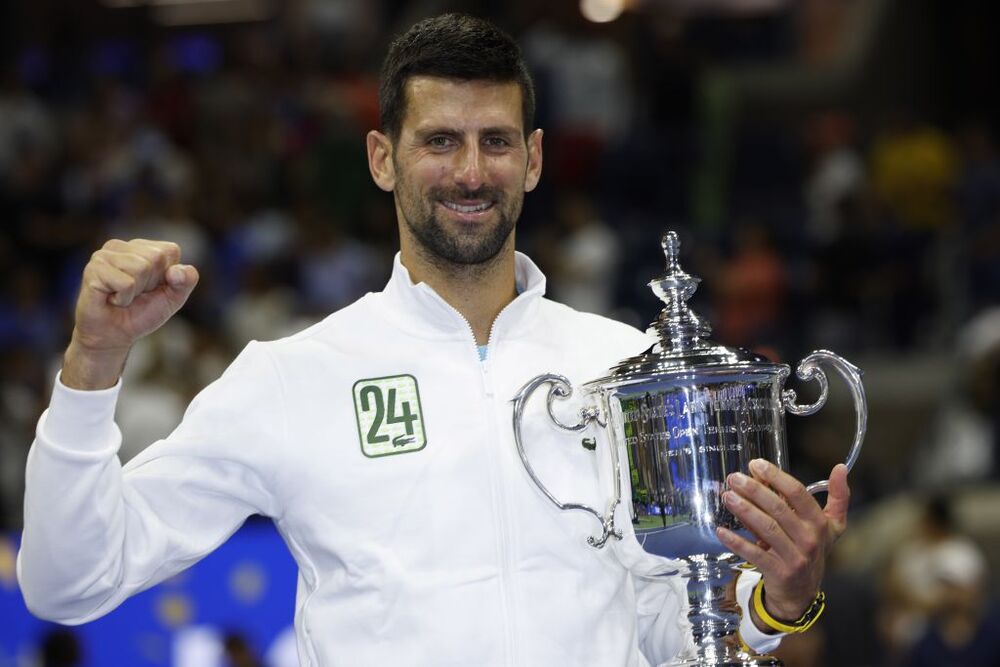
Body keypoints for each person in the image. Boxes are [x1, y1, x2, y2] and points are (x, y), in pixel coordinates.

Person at [17, 14, 851, 666]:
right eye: (439, 141)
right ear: (383, 158)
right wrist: (93, 364)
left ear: (532, 160)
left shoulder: (618, 364)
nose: (469, 171)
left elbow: (673, 624)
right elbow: (68, 580)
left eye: (494, 141)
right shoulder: (291, 378)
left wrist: (782, 598)